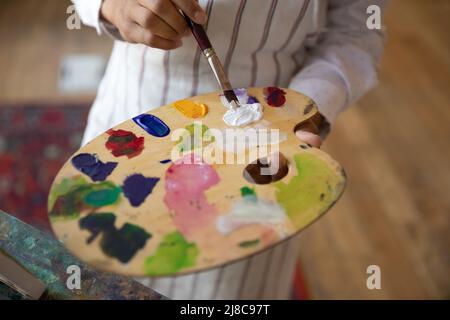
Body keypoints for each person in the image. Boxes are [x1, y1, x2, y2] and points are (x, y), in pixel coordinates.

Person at [72, 0, 386, 299]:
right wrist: (112, 6)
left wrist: (304, 114)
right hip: (135, 127)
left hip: (263, 145)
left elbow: (355, 32)